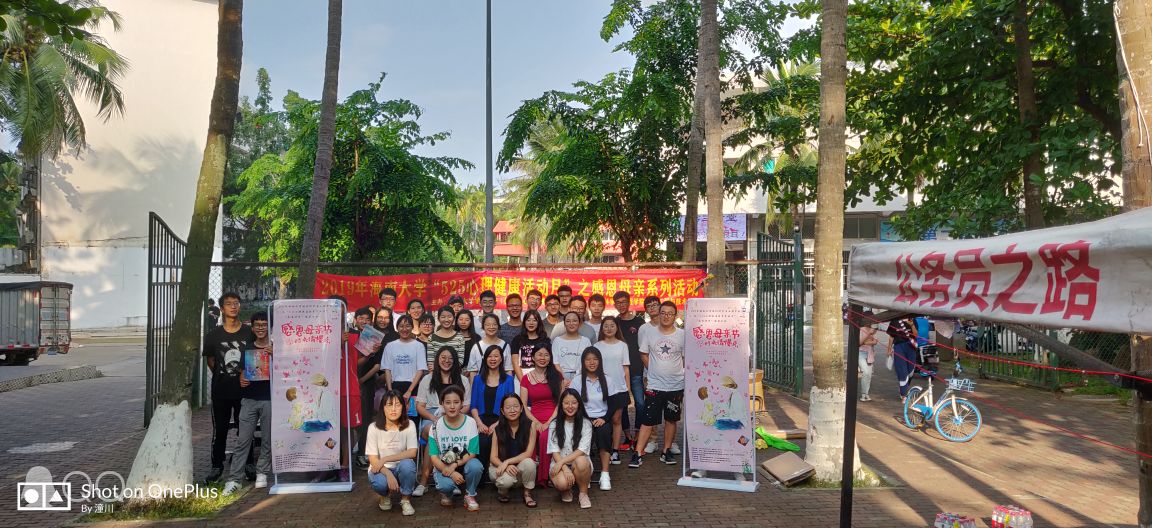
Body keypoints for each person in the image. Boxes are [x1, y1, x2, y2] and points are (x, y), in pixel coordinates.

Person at [202, 292, 255, 483]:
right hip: (221, 391)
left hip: (245, 391)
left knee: (245, 430)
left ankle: (248, 463)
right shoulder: (213, 335)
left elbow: (255, 357)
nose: (233, 306)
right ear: (222, 309)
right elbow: (211, 361)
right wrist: (225, 375)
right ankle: (217, 466)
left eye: (236, 303)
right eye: (229, 304)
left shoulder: (249, 333)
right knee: (220, 430)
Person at [222, 312, 273, 495]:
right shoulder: (247, 349)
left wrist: (275, 356)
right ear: (252, 328)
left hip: (269, 399)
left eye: (264, 324)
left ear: (269, 327)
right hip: (249, 400)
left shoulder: (276, 349)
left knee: (267, 439)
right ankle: (234, 479)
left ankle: (262, 472)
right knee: (243, 440)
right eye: (257, 325)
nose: (261, 328)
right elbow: (243, 372)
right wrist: (242, 378)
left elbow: (286, 372)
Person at [630, 301, 685, 468]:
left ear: (675, 316)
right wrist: (653, 369)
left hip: (676, 385)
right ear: (658, 314)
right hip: (654, 385)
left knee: (671, 419)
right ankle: (638, 452)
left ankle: (666, 451)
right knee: (648, 420)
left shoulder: (682, 335)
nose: (666, 316)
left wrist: (679, 373)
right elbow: (643, 353)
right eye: (663, 313)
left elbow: (685, 358)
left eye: (670, 313)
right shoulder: (649, 332)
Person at [414, 347, 471, 496]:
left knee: (446, 435)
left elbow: (466, 406)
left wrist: (454, 416)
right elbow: (419, 406)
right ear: (437, 360)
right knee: (433, 432)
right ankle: (424, 482)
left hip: (456, 416)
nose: (447, 361)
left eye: (450, 358)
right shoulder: (427, 379)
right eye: (443, 358)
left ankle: (447, 479)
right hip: (432, 416)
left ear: (455, 361)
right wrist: (434, 419)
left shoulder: (463, 380)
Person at [428, 385, 483, 511]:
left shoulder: (470, 422)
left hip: (465, 462)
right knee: (446, 486)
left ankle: (470, 495)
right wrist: (451, 472)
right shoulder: (435, 426)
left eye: (456, 402)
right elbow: (434, 457)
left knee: (476, 466)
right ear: (442, 404)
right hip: (444, 465)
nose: (452, 406)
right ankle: (447, 493)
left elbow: (472, 452)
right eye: (448, 402)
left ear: (462, 403)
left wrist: (455, 465)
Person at [365, 390, 418, 516]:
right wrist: (388, 473)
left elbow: (412, 452)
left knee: (408, 465)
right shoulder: (373, 427)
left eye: (398, 405)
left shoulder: (409, 425)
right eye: (389, 405)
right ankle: (385, 495)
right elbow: (373, 459)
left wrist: (385, 459)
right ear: (383, 407)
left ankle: (405, 499)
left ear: (403, 407)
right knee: (380, 483)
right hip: (381, 469)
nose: (393, 409)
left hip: (400, 467)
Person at [358, 307, 399, 469]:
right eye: (380, 317)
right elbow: (364, 359)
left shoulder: (395, 337)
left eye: (386, 317)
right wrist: (365, 379)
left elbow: (390, 362)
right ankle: (364, 452)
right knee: (367, 418)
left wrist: (383, 378)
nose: (383, 320)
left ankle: (387, 452)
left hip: (387, 381)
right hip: (367, 381)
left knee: (388, 418)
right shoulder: (369, 333)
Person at [570, 347, 615, 491]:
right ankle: (585, 472)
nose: (592, 362)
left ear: (600, 361)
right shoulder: (577, 380)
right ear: (583, 362)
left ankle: (605, 474)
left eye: (595, 359)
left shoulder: (607, 380)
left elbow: (613, 404)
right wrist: (585, 419)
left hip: (602, 418)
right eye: (588, 359)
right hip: (583, 418)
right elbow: (573, 403)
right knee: (582, 435)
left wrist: (604, 418)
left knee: (604, 432)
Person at [470, 344, 517, 478]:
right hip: (481, 420)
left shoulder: (508, 380)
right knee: (482, 441)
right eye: (490, 356)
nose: (493, 359)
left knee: (494, 440)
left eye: (496, 356)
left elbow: (511, 406)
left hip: (501, 420)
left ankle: (497, 474)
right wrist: (479, 424)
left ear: (501, 359)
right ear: (485, 359)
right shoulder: (478, 379)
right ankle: (481, 477)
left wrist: (498, 423)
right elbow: (473, 406)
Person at [520, 344, 563, 487]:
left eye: (546, 355)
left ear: (550, 357)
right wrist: (536, 422)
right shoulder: (526, 378)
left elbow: (561, 403)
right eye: (539, 354)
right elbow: (523, 405)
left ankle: (544, 477)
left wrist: (549, 421)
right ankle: (530, 476)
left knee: (545, 436)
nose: (542, 358)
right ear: (533, 357)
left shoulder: (557, 376)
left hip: (554, 416)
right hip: (534, 418)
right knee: (531, 434)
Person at [593, 316, 630, 465]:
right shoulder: (596, 346)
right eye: (606, 326)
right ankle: (604, 449)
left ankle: (615, 450)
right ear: (602, 328)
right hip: (601, 388)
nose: (609, 328)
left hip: (619, 388)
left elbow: (626, 368)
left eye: (612, 325)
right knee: (603, 419)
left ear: (617, 328)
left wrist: (628, 389)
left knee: (616, 419)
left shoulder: (623, 346)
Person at [490, 393, 538, 507]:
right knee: (505, 482)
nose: (512, 410)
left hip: (518, 467)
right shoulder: (497, 429)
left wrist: (508, 462)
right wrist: (505, 465)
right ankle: (503, 492)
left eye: (516, 406)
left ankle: (527, 494)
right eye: (508, 407)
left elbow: (528, 453)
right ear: (502, 411)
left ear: (521, 408)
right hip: (499, 466)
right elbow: (493, 457)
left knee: (530, 463)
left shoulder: (531, 425)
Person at [549, 388, 594, 509]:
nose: (570, 406)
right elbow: (554, 450)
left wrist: (562, 462)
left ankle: (583, 493)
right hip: (559, 462)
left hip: (578, 463)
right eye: (566, 403)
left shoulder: (586, 423)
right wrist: (564, 467)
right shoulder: (554, 424)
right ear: (561, 405)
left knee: (581, 460)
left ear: (579, 404)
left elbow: (582, 450)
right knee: (562, 483)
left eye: (574, 403)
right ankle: (566, 490)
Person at [613, 291, 645, 450]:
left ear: (629, 302)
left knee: (640, 403)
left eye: (624, 302)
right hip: (619, 371)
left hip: (637, 369)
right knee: (623, 404)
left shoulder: (639, 322)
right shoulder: (615, 323)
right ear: (614, 305)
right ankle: (627, 437)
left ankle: (638, 436)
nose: (621, 305)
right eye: (618, 302)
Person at [634, 295, 662, 455]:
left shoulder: (670, 325)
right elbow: (642, 351)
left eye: (655, 305)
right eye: (649, 306)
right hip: (650, 374)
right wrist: (652, 370)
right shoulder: (644, 329)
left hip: (671, 374)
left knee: (671, 408)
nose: (652, 308)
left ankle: (671, 442)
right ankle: (653, 440)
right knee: (652, 407)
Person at [382, 315, 426, 402]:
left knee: (412, 410)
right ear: (397, 328)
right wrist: (390, 390)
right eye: (401, 326)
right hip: (394, 385)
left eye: (408, 326)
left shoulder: (419, 346)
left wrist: (409, 391)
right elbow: (387, 369)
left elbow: (420, 370)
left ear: (412, 327)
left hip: (413, 386)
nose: (404, 329)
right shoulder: (390, 346)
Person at [511, 311, 550, 382]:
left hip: (541, 377)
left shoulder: (545, 340)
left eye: (534, 320)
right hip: (521, 377)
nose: (531, 323)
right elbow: (515, 363)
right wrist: (523, 382)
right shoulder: (517, 339)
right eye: (528, 320)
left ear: (538, 323)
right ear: (524, 322)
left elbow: (548, 361)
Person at [887, 315, 919, 401]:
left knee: (910, 371)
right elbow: (891, 336)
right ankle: (904, 394)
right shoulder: (894, 321)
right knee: (902, 370)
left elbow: (916, 335)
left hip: (911, 347)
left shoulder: (912, 319)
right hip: (899, 347)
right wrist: (889, 349)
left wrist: (912, 325)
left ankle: (904, 387)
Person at [467, 314, 509, 378]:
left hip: (501, 382)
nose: (491, 327)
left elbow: (508, 370)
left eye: (494, 324)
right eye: (488, 325)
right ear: (483, 327)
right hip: (481, 383)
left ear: (498, 326)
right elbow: (473, 372)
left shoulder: (505, 346)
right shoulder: (476, 347)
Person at [553, 311, 592, 380]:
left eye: (574, 321)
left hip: (581, 376)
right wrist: (563, 378)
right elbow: (556, 362)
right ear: (564, 324)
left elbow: (588, 361)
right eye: (568, 321)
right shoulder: (557, 341)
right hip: (561, 377)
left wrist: (578, 378)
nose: (571, 323)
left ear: (579, 323)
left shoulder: (586, 341)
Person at [428, 306, 467, 370]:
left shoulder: (460, 337)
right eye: (443, 317)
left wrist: (443, 367)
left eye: (449, 317)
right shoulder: (432, 338)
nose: (446, 320)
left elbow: (460, 361)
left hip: (454, 374)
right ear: (438, 319)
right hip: (437, 374)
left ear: (454, 318)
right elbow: (431, 363)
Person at [859, 312, 879, 402]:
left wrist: (869, 341)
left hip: (870, 354)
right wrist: (869, 335)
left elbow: (875, 341)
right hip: (861, 353)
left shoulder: (873, 330)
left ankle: (866, 394)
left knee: (869, 375)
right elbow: (859, 342)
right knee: (866, 372)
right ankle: (863, 394)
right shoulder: (862, 329)